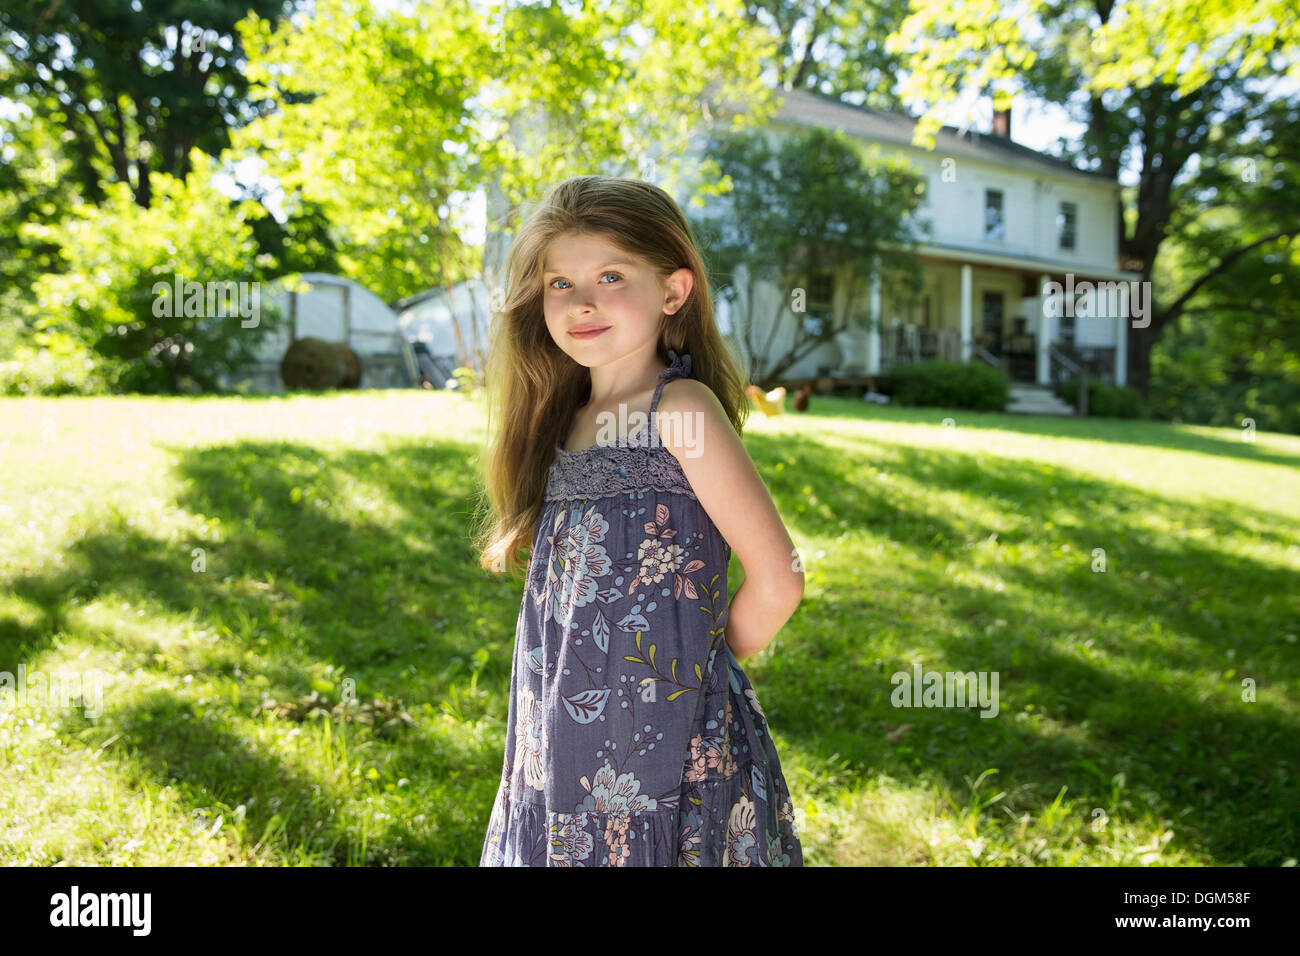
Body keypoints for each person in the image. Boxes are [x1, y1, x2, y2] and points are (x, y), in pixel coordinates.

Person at [471, 175, 805, 866]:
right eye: (559, 283)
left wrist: (704, 677)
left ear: (674, 292)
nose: (581, 301)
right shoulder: (563, 422)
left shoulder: (679, 409)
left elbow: (779, 579)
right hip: (560, 743)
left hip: (668, 744)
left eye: (611, 275)